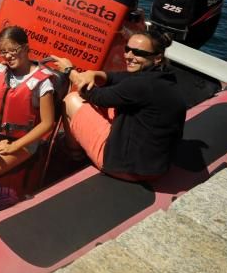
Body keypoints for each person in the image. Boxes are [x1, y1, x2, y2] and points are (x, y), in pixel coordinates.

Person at [54, 30, 187, 182]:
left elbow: (95, 96)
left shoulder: (141, 85)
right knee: (110, 102)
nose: (128, 56)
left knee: (72, 99)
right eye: (127, 49)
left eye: (138, 53)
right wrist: (94, 74)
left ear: (157, 58)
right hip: (156, 166)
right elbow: (116, 78)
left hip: (125, 167)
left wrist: (69, 71)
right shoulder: (163, 76)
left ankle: (74, 154)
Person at [0, 26, 58, 186]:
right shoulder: (1, 70)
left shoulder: (42, 83)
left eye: (13, 50)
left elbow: (47, 123)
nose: (8, 56)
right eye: (3, 52)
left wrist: (14, 146)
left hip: (23, 140)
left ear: (25, 48)